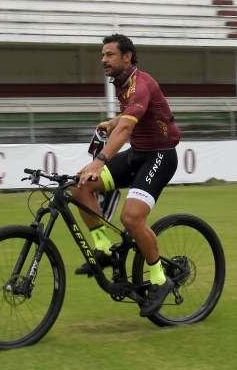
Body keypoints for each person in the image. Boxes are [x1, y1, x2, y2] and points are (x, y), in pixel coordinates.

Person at [71, 33, 181, 317]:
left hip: (160, 156)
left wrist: (99, 161)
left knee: (131, 218)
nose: (103, 60)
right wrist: (111, 121)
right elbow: (130, 117)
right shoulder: (123, 83)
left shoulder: (141, 83)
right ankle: (104, 250)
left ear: (127, 56)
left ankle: (160, 278)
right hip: (137, 154)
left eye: (109, 55)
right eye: (103, 55)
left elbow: (127, 129)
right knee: (80, 187)